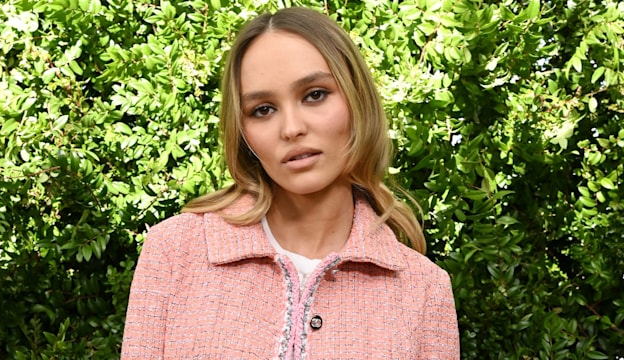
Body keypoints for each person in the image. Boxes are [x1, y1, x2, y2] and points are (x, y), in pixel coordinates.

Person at [122, 7, 459, 359]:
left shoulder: (424, 289)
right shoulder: (175, 252)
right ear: (244, 132)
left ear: (357, 99)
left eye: (315, 94)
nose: (291, 128)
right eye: (263, 109)